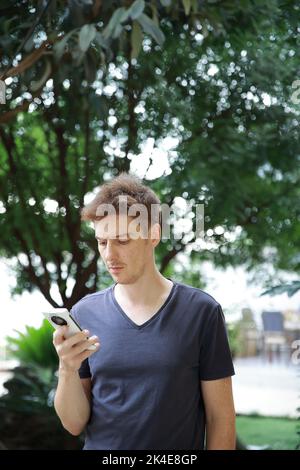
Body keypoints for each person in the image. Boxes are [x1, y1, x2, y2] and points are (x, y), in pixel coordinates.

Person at [53, 172, 236, 450]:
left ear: (153, 235)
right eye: (102, 242)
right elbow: (74, 424)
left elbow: (220, 418)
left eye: (122, 241)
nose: (109, 255)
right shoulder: (85, 313)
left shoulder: (201, 312)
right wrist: (67, 370)